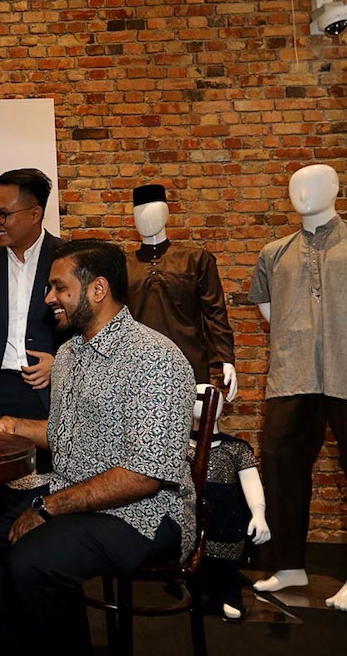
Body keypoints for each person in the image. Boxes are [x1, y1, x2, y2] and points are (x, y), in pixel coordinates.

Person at [0, 239, 195, 654]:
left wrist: (47, 508)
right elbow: (66, 433)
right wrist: (17, 426)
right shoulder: (70, 354)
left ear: (97, 290)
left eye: (59, 288)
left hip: (147, 513)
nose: (49, 298)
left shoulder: (154, 358)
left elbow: (145, 475)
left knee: (34, 557)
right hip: (75, 492)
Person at [247, 163, 347, 612]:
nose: (301, 193)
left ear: (335, 189)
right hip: (293, 374)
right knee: (281, 464)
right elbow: (269, 310)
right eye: (294, 186)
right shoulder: (274, 252)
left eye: (313, 185)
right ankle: (288, 564)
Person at [0, 168, 67, 493]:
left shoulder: (66, 258)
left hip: (50, 390)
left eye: (3, 214)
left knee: (50, 482)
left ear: (35, 213)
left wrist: (59, 362)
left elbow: (85, 327)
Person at [126, 183, 238, 399]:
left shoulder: (195, 260)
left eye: (152, 211)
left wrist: (226, 359)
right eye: (139, 213)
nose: (145, 218)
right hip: (137, 368)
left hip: (190, 363)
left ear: (166, 213)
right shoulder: (123, 265)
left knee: (195, 429)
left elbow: (214, 312)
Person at [189, 383, 269, 621]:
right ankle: (194, 586)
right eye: (198, 397)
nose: (205, 403)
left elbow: (252, 483)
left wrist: (259, 513)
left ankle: (228, 590)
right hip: (189, 514)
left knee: (224, 560)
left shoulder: (236, 449)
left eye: (211, 397)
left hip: (225, 519)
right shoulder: (178, 446)